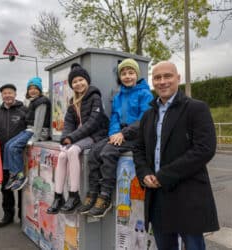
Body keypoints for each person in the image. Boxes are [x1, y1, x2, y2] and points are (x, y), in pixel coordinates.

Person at [132, 61, 219, 250]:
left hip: (188, 195)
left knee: (194, 246)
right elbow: (138, 149)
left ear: (178, 79)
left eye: (167, 76)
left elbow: (204, 149)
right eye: (157, 77)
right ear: (152, 82)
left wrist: (163, 176)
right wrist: (144, 173)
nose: (162, 81)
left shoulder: (196, 108)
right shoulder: (148, 115)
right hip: (158, 197)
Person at [78, 58, 153, 218]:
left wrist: (122, 134)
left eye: (131, 73)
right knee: (93, 153)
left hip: (136, 135)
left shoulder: (145, 93)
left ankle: (105, 196)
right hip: (118, 134)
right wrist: (113, 133)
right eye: (124, 73)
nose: (127, 76)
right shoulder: (119, 96)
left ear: (136, 75)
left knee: (108, 152)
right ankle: (93, 193)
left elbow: (144, 120)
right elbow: (114, 118)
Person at [46, 63, 109, 214]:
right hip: (80, 137)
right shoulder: (72, 103)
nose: (78, 83)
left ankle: (74, 195)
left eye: (81, 80)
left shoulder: (95, 97)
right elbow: (68, 124)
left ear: (87, 81)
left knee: (73, 150)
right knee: (62, 155)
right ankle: (58, 195)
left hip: (96, 135)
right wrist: (64, 138)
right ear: (71, 85)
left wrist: (71, 138)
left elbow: (92, 123)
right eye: (74, 82)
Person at [4, 77, 51, 191]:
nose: (33, 91)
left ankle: (20, 175)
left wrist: (34, 138)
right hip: (29, 130)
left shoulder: (42, 101)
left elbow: (39, 122)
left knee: (15, 147)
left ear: (40, 90)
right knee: (8, 145)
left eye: (35, 88)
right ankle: (12, 173)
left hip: (37, 132)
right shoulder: (32, 102)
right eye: (30, 88)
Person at [0, 83, 28, 227]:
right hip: (1, 156)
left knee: (20, 186)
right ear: (2, 95)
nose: (7, 95)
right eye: (5, 93)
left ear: (15, 94)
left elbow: (30, 131)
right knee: (6, 187)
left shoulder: (24, 110)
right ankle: (8, 215)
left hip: (20, 157)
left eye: (10, 93)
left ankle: (22, 215)